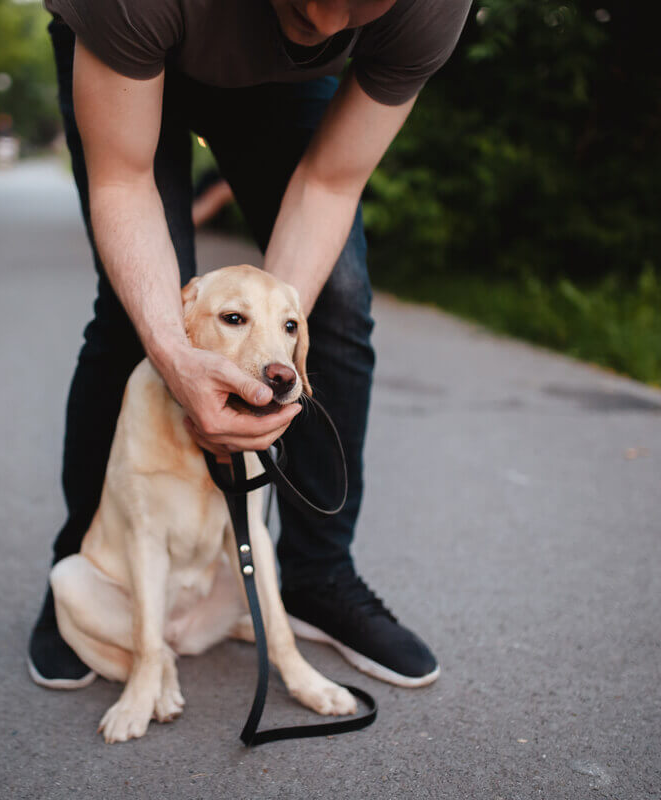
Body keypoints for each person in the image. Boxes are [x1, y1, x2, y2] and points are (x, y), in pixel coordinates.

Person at [29, 0, 472, 690]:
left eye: (359, 8)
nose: (326, 26)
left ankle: (319, 577)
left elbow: (330, 182)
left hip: (282, 96)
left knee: (341, 302)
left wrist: (268, 353)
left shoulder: (430, 9)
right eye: (307, 0)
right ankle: (89, 569)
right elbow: (123, 181)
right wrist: (176, 358)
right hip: (134, 50)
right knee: (132, 319)